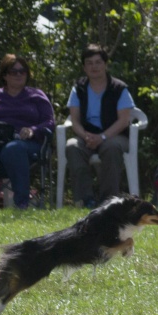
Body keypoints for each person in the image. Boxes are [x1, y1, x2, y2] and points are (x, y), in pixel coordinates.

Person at [0, 55, 55, 209]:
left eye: (23, 71)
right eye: (14, 72)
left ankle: (21, 204)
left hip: (25, 144)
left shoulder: (36, 96)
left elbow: (50, 121)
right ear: (5, 75)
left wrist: (33, 130)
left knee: (13, 149)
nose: (19, 75)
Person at [65, 44, 135, 207]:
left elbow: (123, 121)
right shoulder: (78, 89)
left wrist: (102, 137)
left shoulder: (119, 88)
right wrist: (85, 136)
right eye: (89, 63)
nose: (94, 66)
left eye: (98, 62)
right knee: (72, 146)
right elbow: (74, 120)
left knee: (111, 148)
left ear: (105, 64)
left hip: (114, 135)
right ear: (84, 67)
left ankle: (108, 202)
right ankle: (85, 200)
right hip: (87, 136)